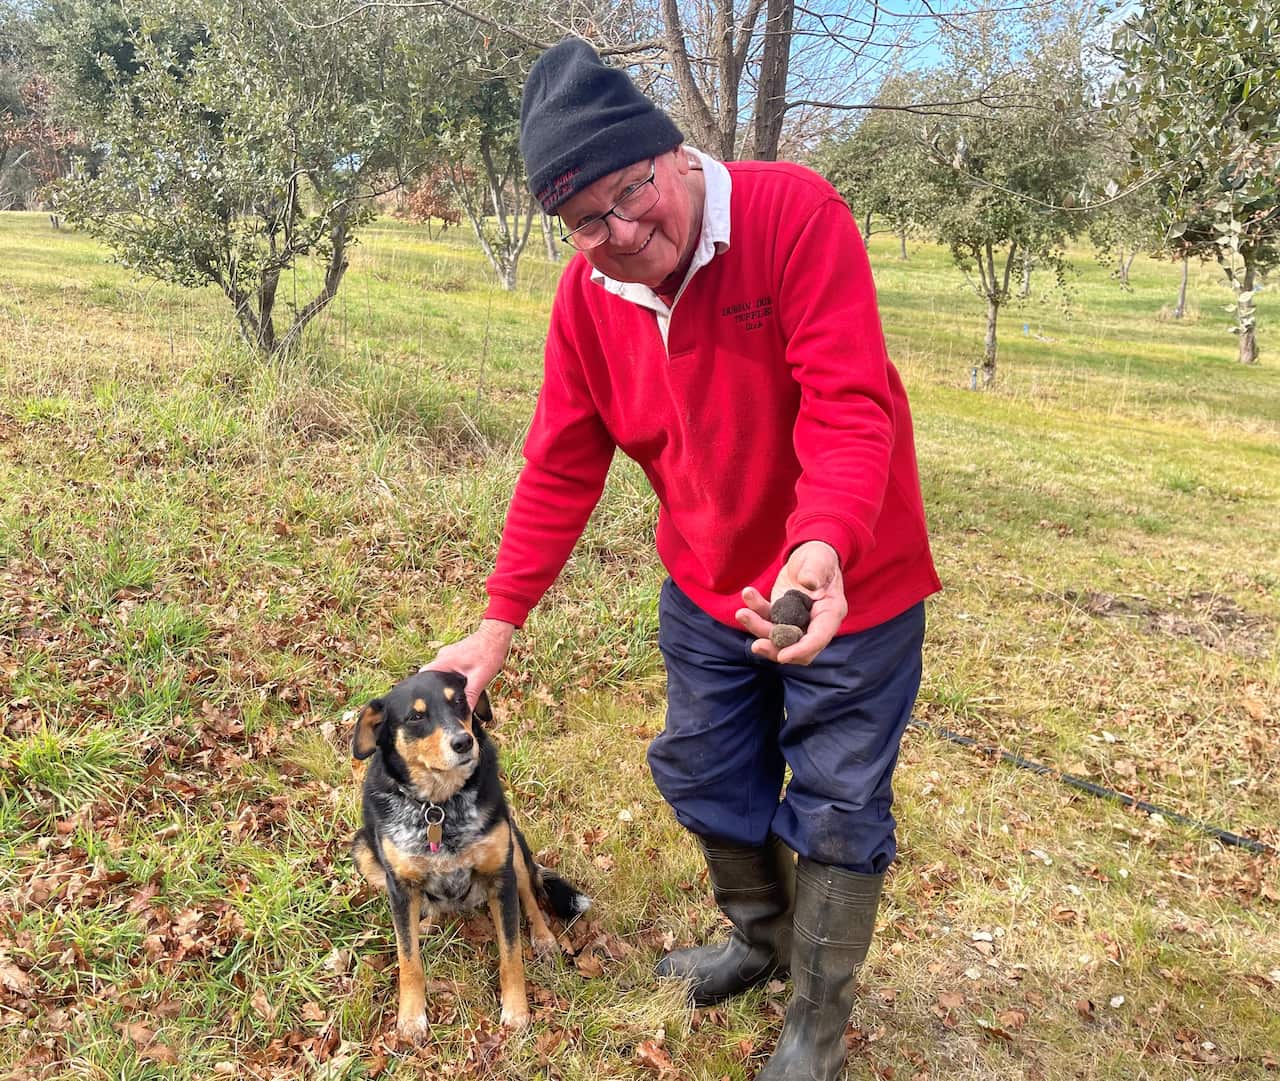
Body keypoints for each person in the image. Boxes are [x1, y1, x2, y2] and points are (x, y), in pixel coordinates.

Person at [424, 37, 941, 1081]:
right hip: (707, 586)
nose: (619, 233)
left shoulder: (792, 214)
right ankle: (757, 938)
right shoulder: (588, 299)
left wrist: (819, 546)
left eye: (630, 193)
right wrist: (496, 620)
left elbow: (849, 406)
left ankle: (816, 1026)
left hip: (848, 583)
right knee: (705, 768)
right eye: (584, 223)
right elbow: (560, 466)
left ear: (670, 154)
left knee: (838, 802)